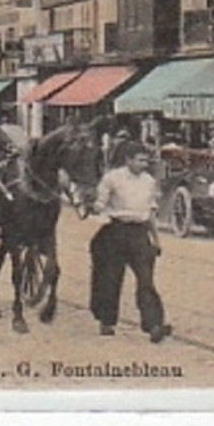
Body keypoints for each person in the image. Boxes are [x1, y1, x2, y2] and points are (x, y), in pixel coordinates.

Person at [88, 141, 172, 343]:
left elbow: (150, 214)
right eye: (140, 160)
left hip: (140, 234)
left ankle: (154, 324)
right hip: (115, 232)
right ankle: (107, 321)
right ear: (128, 160)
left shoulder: (149, 182)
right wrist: (94, 205)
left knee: (146, 280)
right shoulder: (112, 178)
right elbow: (100, 203)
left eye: (146, 160)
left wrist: (156, 240)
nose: (144, 164)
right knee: (110, 279)